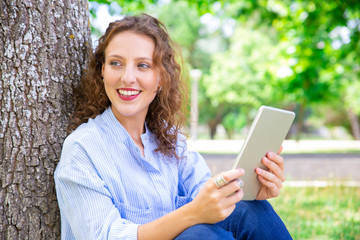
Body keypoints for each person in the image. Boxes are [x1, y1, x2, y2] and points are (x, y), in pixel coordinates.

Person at [54, 13, 292, 240]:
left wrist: (245, 192)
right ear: (103, 71)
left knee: (248, 209)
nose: (127, 77)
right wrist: (193, 213)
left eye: (143, 65)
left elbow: (204, 194)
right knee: (202, 235)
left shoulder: (170, 140)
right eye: (116, 63)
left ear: (160, 78)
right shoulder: (82, 149)